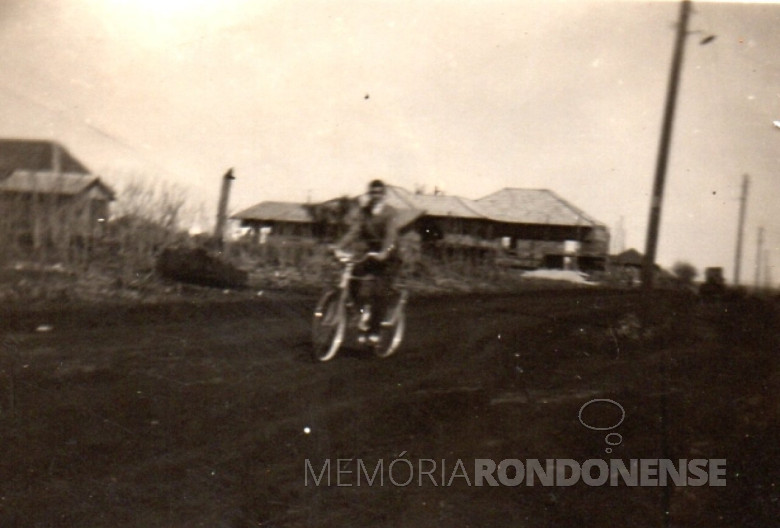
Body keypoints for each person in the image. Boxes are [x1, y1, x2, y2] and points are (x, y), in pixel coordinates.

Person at [335, 179, 401, 344]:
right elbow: (354, 231)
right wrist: (339, 246)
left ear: (384, 195)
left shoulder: (390, 213)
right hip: (370, 255)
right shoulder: (364, 212)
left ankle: (375, 331)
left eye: (379, 193)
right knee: (352, 280)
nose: (375, 196)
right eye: (372, 193)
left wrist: (384, 252)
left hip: (389, 257)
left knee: (379, 291)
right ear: (369, 194)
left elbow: (390, 235)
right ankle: (363, 313)